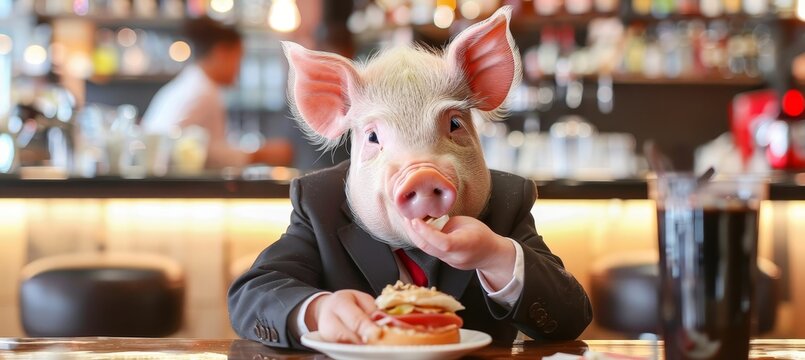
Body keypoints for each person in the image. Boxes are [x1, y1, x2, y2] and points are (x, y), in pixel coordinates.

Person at [141, 17, 292, 169]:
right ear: (222, 53)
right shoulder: (201, 92)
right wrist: (259, 155)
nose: (239, 69)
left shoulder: (192, 83)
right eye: (238, 59)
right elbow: (174, 147)